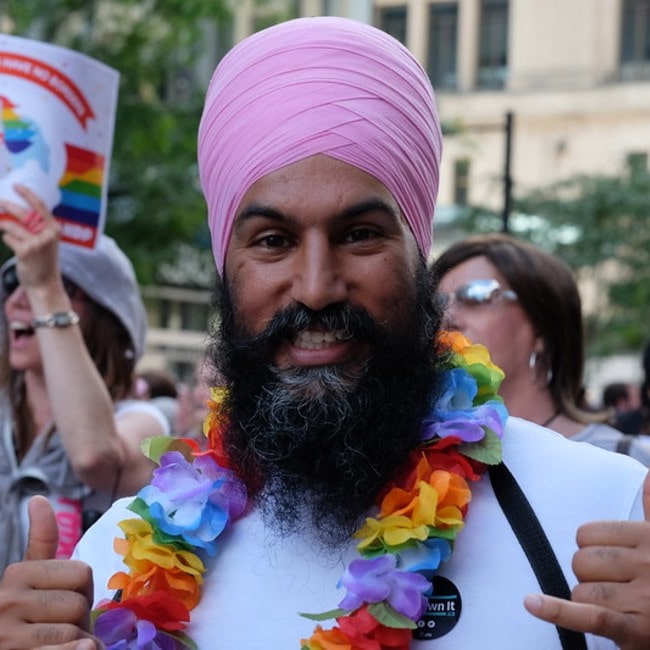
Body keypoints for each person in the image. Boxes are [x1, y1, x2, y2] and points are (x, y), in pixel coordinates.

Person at [1, 16, 650, 650]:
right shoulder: (112, 568)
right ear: (227, 273)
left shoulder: (602, 516)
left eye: (360, 234)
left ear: (419, 256)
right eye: (273, 241)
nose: (315, 287)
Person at [0, 184, 170, 570]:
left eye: (61, 286)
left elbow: (94, 455)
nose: (19, 298)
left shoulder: (145, 421)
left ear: (107, 318)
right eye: (14, 282)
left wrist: (46, 289)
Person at [434, 232, 650, 466]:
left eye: (476, 296)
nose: (448, 317)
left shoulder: (625, 462)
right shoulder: (421, 456)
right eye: (436, 304)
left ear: (542, 328)